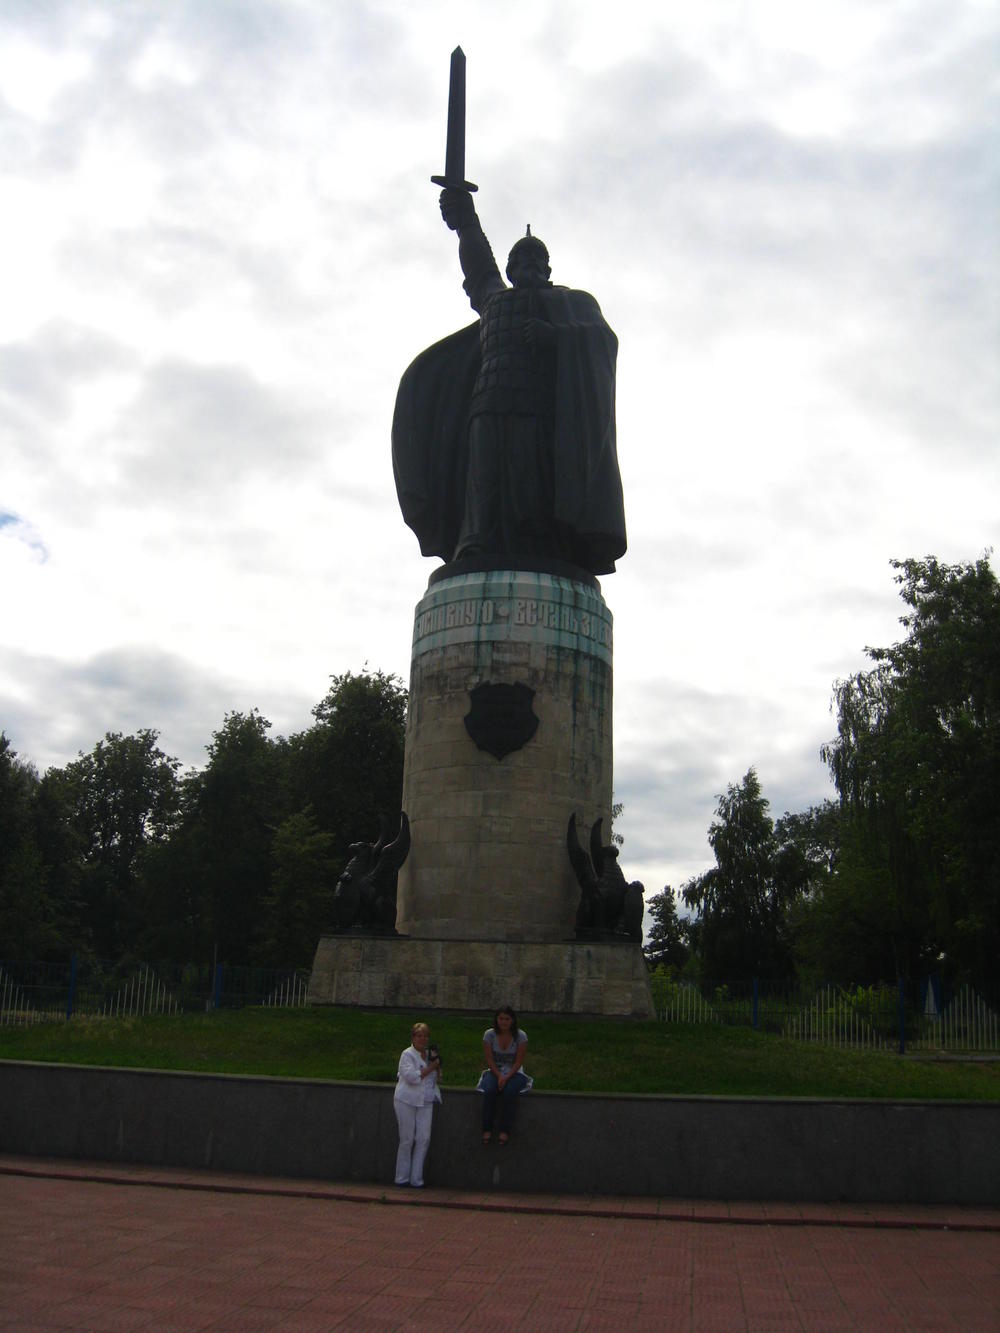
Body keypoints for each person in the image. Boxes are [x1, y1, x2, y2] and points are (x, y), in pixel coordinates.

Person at [392, 188, 626, 576]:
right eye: (521, 259)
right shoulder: (494, 301)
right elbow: (479, 270)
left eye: (537, 259)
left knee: (530, 480)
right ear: (511, 269)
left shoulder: (573, 303)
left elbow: (601, 339)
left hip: (538, 408)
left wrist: (556, 337)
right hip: (486, 402)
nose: (529, 265)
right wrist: (466, 221)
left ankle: (538, 542)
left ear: (548, 269)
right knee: (484, 479)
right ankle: (476, 540)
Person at [393, 1020, 441, 1187]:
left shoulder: (429, 1055)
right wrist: (431, 1068)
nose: (422, 1039)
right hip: (406, 1099)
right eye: (419, 1036)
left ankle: (416, 1178)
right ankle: (402, 1177)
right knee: (407, 1138)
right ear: (413, 1037)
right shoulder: (407, 1054)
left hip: (426, 1100)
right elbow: (412, 1077)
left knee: (423, 1138)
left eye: (425, 1036)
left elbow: (436, 1078)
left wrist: (438, 1068)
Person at [477, 1005, 532, 1144]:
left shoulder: (521, 1036)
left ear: (512, 1020)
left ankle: (504, 1130)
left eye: (507, 1019)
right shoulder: (489, 1035)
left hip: (514, 1072)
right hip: (495, 1071)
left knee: (509, 1092)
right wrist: (499, 1075)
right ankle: (487, 1128)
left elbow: (518, 1061)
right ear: (497, 1020)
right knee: (490, 1090)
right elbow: (489, 1059)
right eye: (501, 1018)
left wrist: (507, 1077)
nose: (504, 1022)